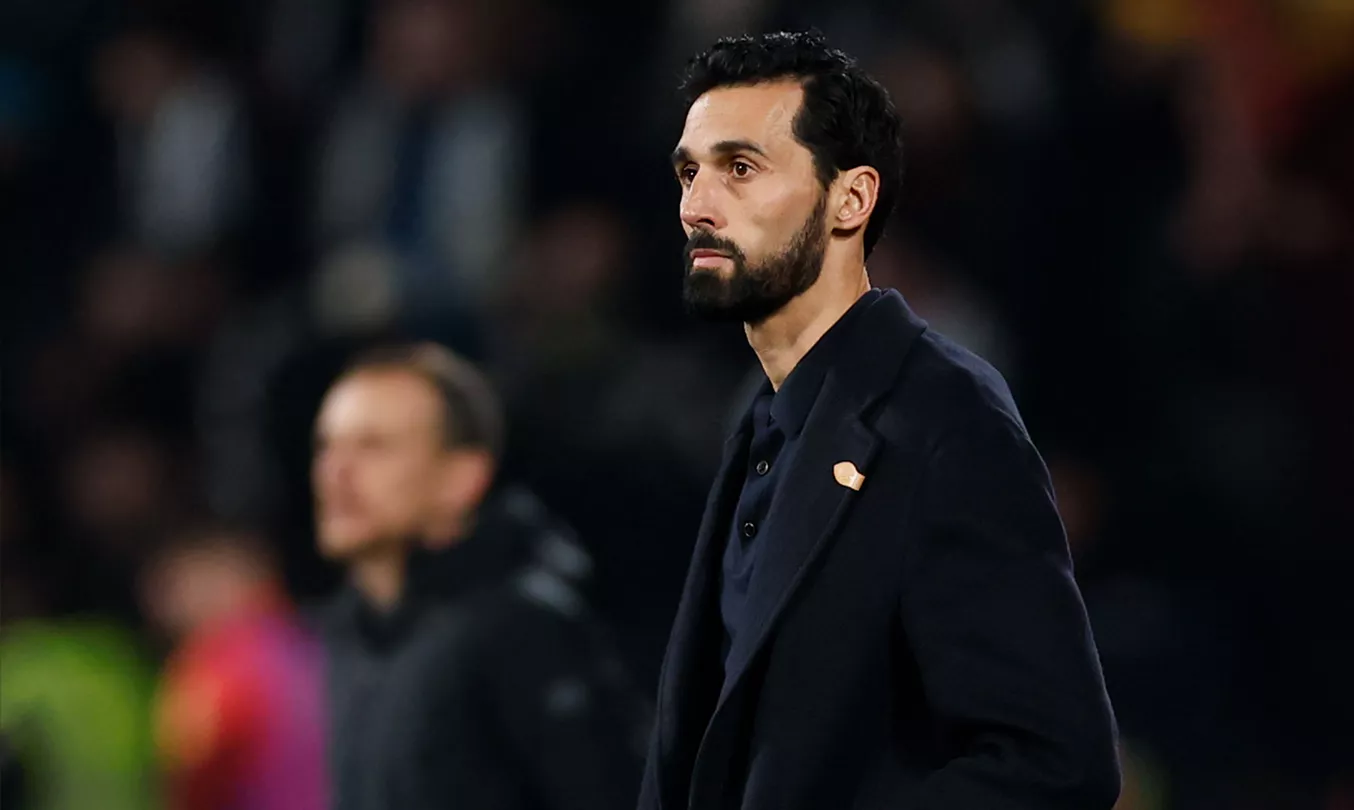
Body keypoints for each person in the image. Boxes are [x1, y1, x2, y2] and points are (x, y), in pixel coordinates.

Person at [640, 31, 1120, 810]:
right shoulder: (763, 420)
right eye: (689, 171)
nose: (697, 204)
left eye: (740, 168)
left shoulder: (943, 419)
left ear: (851, 200)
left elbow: (1052, 761)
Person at [312, 342, 646, 810]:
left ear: (462, 478)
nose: (335, 472)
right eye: (327, 445)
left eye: (374, 446)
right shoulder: (352, 633)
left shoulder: (522, 628)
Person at [142, 525, 327, 810]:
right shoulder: (312, 648)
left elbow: (193, 771)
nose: (162, 604)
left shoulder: (215, 668)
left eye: (174, 584)